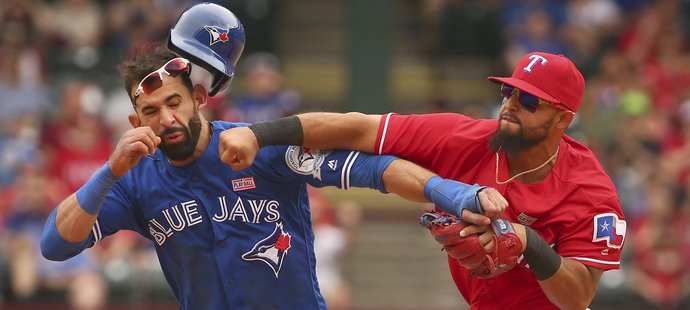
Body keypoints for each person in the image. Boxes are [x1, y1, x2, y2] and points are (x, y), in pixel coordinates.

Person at [39, 4, 510, 309]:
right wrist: (108, 171)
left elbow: (374, 169)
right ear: (136, 123)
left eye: (175, 102)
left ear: (200, 98)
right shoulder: (134, 181)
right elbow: (55, 246)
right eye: (150, 111)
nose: (165, 118)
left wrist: (451, 192)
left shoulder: (255, 145)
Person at [220, 51, 627, 309]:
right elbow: (357, 128)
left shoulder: (589, 191)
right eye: (508, 92)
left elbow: (578, 297)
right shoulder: (464, 138)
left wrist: (528, 242)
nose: (511, 106)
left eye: (530, 101)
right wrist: (259, 134)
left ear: (563, 119)